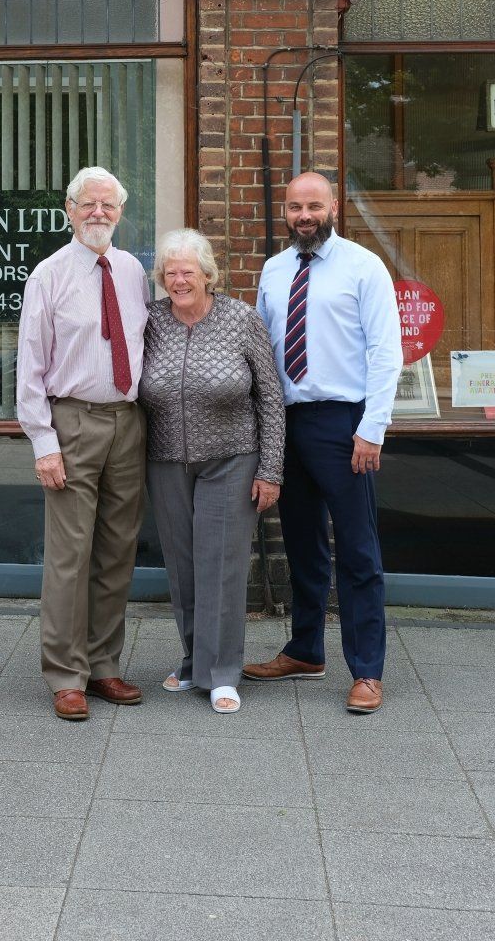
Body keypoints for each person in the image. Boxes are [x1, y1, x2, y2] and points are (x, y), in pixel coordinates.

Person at [243, 172, 402, 714]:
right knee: (303, 543)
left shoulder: (364, 266)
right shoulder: (274, 269)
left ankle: (367, 671)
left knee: (358, 550)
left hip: (344, 423)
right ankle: (306, 650)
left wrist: (371, 428)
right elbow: (262, 353)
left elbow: (387, 352)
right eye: (294, 207)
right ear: (285, 213)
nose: (303, 215)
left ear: (334, 207)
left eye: (313, 205)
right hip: (288, 422)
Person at [15, 165, 151, 722]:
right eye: (88, 204)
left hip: (128, 422)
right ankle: (66, 674)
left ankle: (104, 665)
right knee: (70, 557)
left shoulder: (132, 271)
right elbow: (29, 369)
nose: (99, 213)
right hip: (71, 423)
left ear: (120, 212)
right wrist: (43, 443)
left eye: (108, 205)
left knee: (117, 552)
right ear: (68, 210)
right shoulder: (48, 276)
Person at [139, 228, 284, 714]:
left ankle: (222, 673)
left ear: (207, 274)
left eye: (187, 271)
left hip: (232, 458)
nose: (178, 280)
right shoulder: (152, 320)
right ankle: (191, 661)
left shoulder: (241, 319)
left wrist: (271, 468)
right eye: (169, 272)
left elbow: (271, 398)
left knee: (221, 566)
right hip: (166, 459)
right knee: (182, 567)